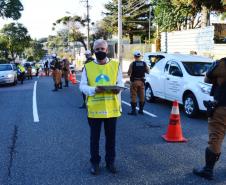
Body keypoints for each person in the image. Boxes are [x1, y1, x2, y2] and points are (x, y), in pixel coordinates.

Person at [79, 39, 124, 175]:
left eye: (102, 49)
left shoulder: (116, 65)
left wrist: (118, 89)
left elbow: (120, 83)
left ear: (107, 50)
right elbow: (82, 86)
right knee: (95, 139)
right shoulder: (88, 67)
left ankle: (110, 162)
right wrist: (93, 90)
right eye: (97, 49)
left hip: (112, 109)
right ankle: (95, 163)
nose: (99, 51)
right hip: (94, 109)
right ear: (94, 50)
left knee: (111, 139)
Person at [193, 57, 226, 180]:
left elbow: (206, 78)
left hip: (223, 106)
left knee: (216, 138)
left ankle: (208, 170)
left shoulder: (222, 64)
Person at [127, 51, 149, 115]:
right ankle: (141, 110)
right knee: (142, 96)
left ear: (134, 56)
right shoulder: (144, 63)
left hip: (134, 81)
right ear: (140, 56)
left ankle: (134, 111)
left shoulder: (132, 64)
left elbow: (129, 73)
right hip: (141, 82)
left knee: (133, 96)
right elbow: (148, 71)